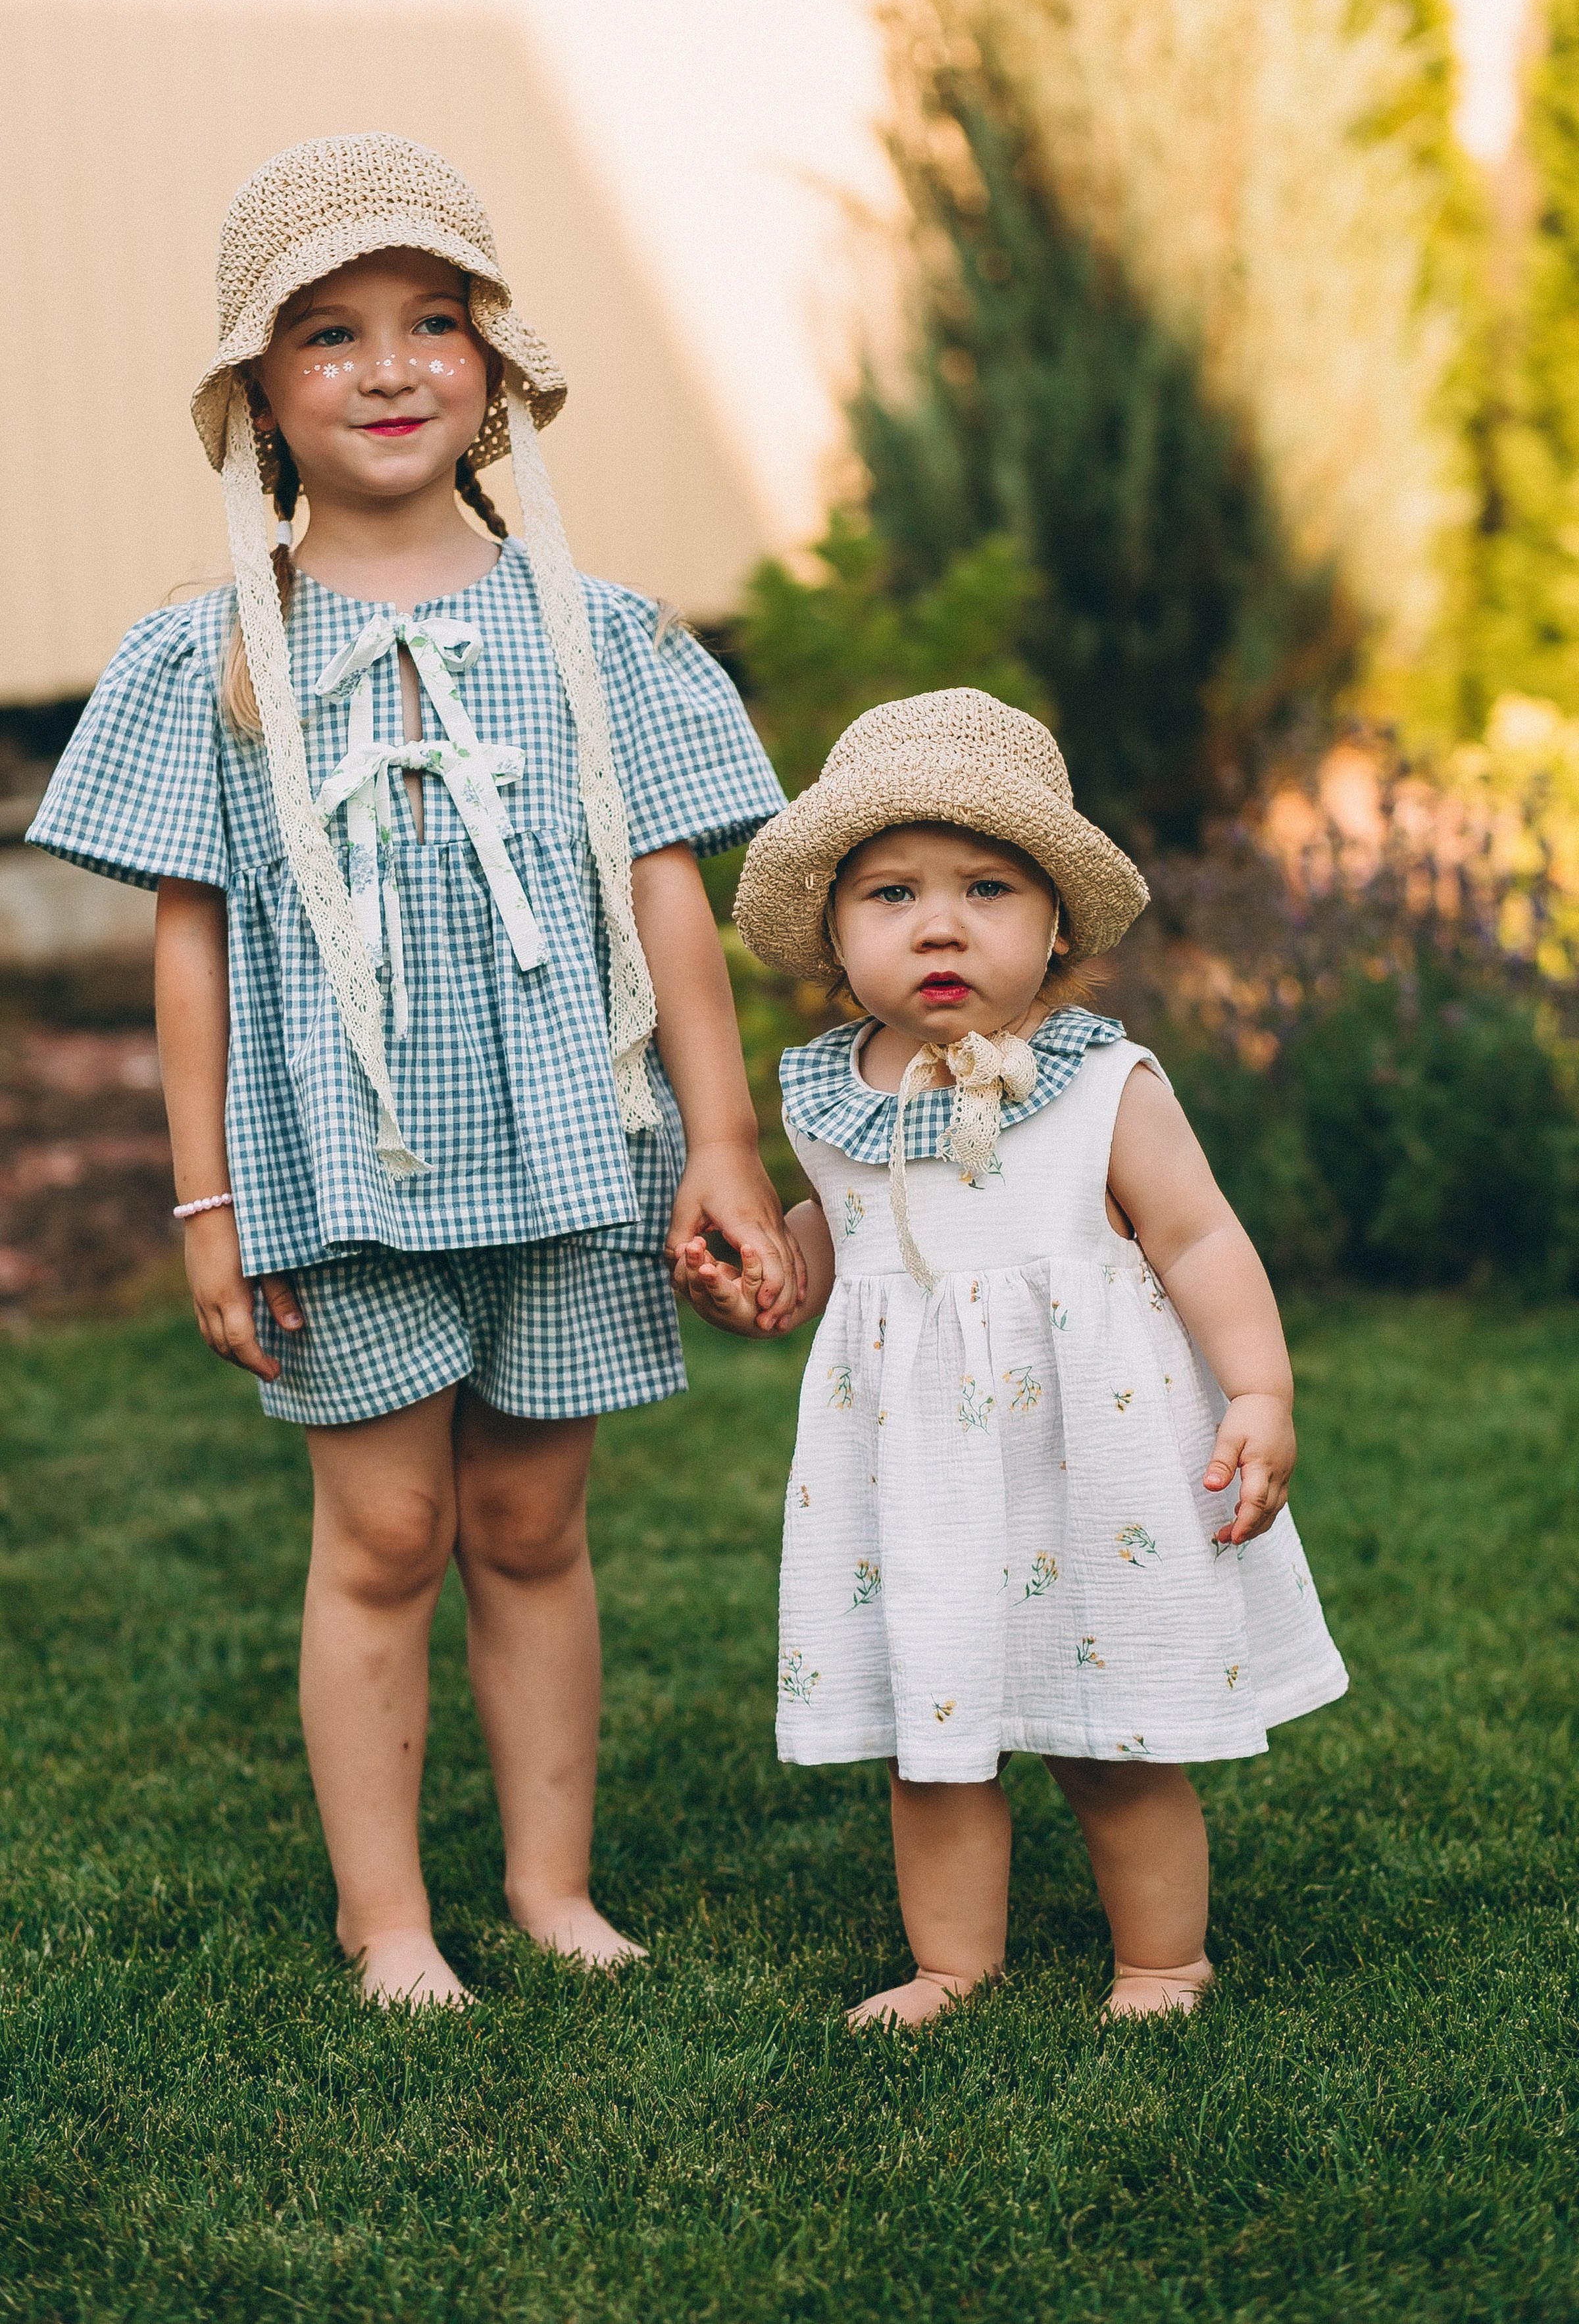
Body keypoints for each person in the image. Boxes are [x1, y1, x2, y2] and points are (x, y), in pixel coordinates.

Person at [29, 134, 801, 2008]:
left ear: (495, 363)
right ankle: (391, 1921)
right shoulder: (217, 654)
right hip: (339, 1162)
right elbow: (192, 938)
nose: (389, 369)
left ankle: (551, 1882)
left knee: (533, 1519)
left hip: (571, 1144)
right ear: (260, 399)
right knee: (385, 1528)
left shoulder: (596, 634)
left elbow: (664, 895)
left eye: (432, 320)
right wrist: (205, 1197)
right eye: (329, 336)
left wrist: (720, 1139)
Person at [675, 687, 1347, 2027]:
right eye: (889, 895)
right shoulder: (828, 1102)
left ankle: (1163, 1961)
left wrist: (1260, 1392)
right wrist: (764, 1281)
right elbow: (841, 1252)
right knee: (936, 1747)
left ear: (1053, 927)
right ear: (833, 934)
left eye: (987, 887)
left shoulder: (1104, 1087)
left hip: (1089, 1471)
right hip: (918, 1478)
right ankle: (951, 1965)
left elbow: (1202, 1241)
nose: (938, 923)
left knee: (1112, 1739)